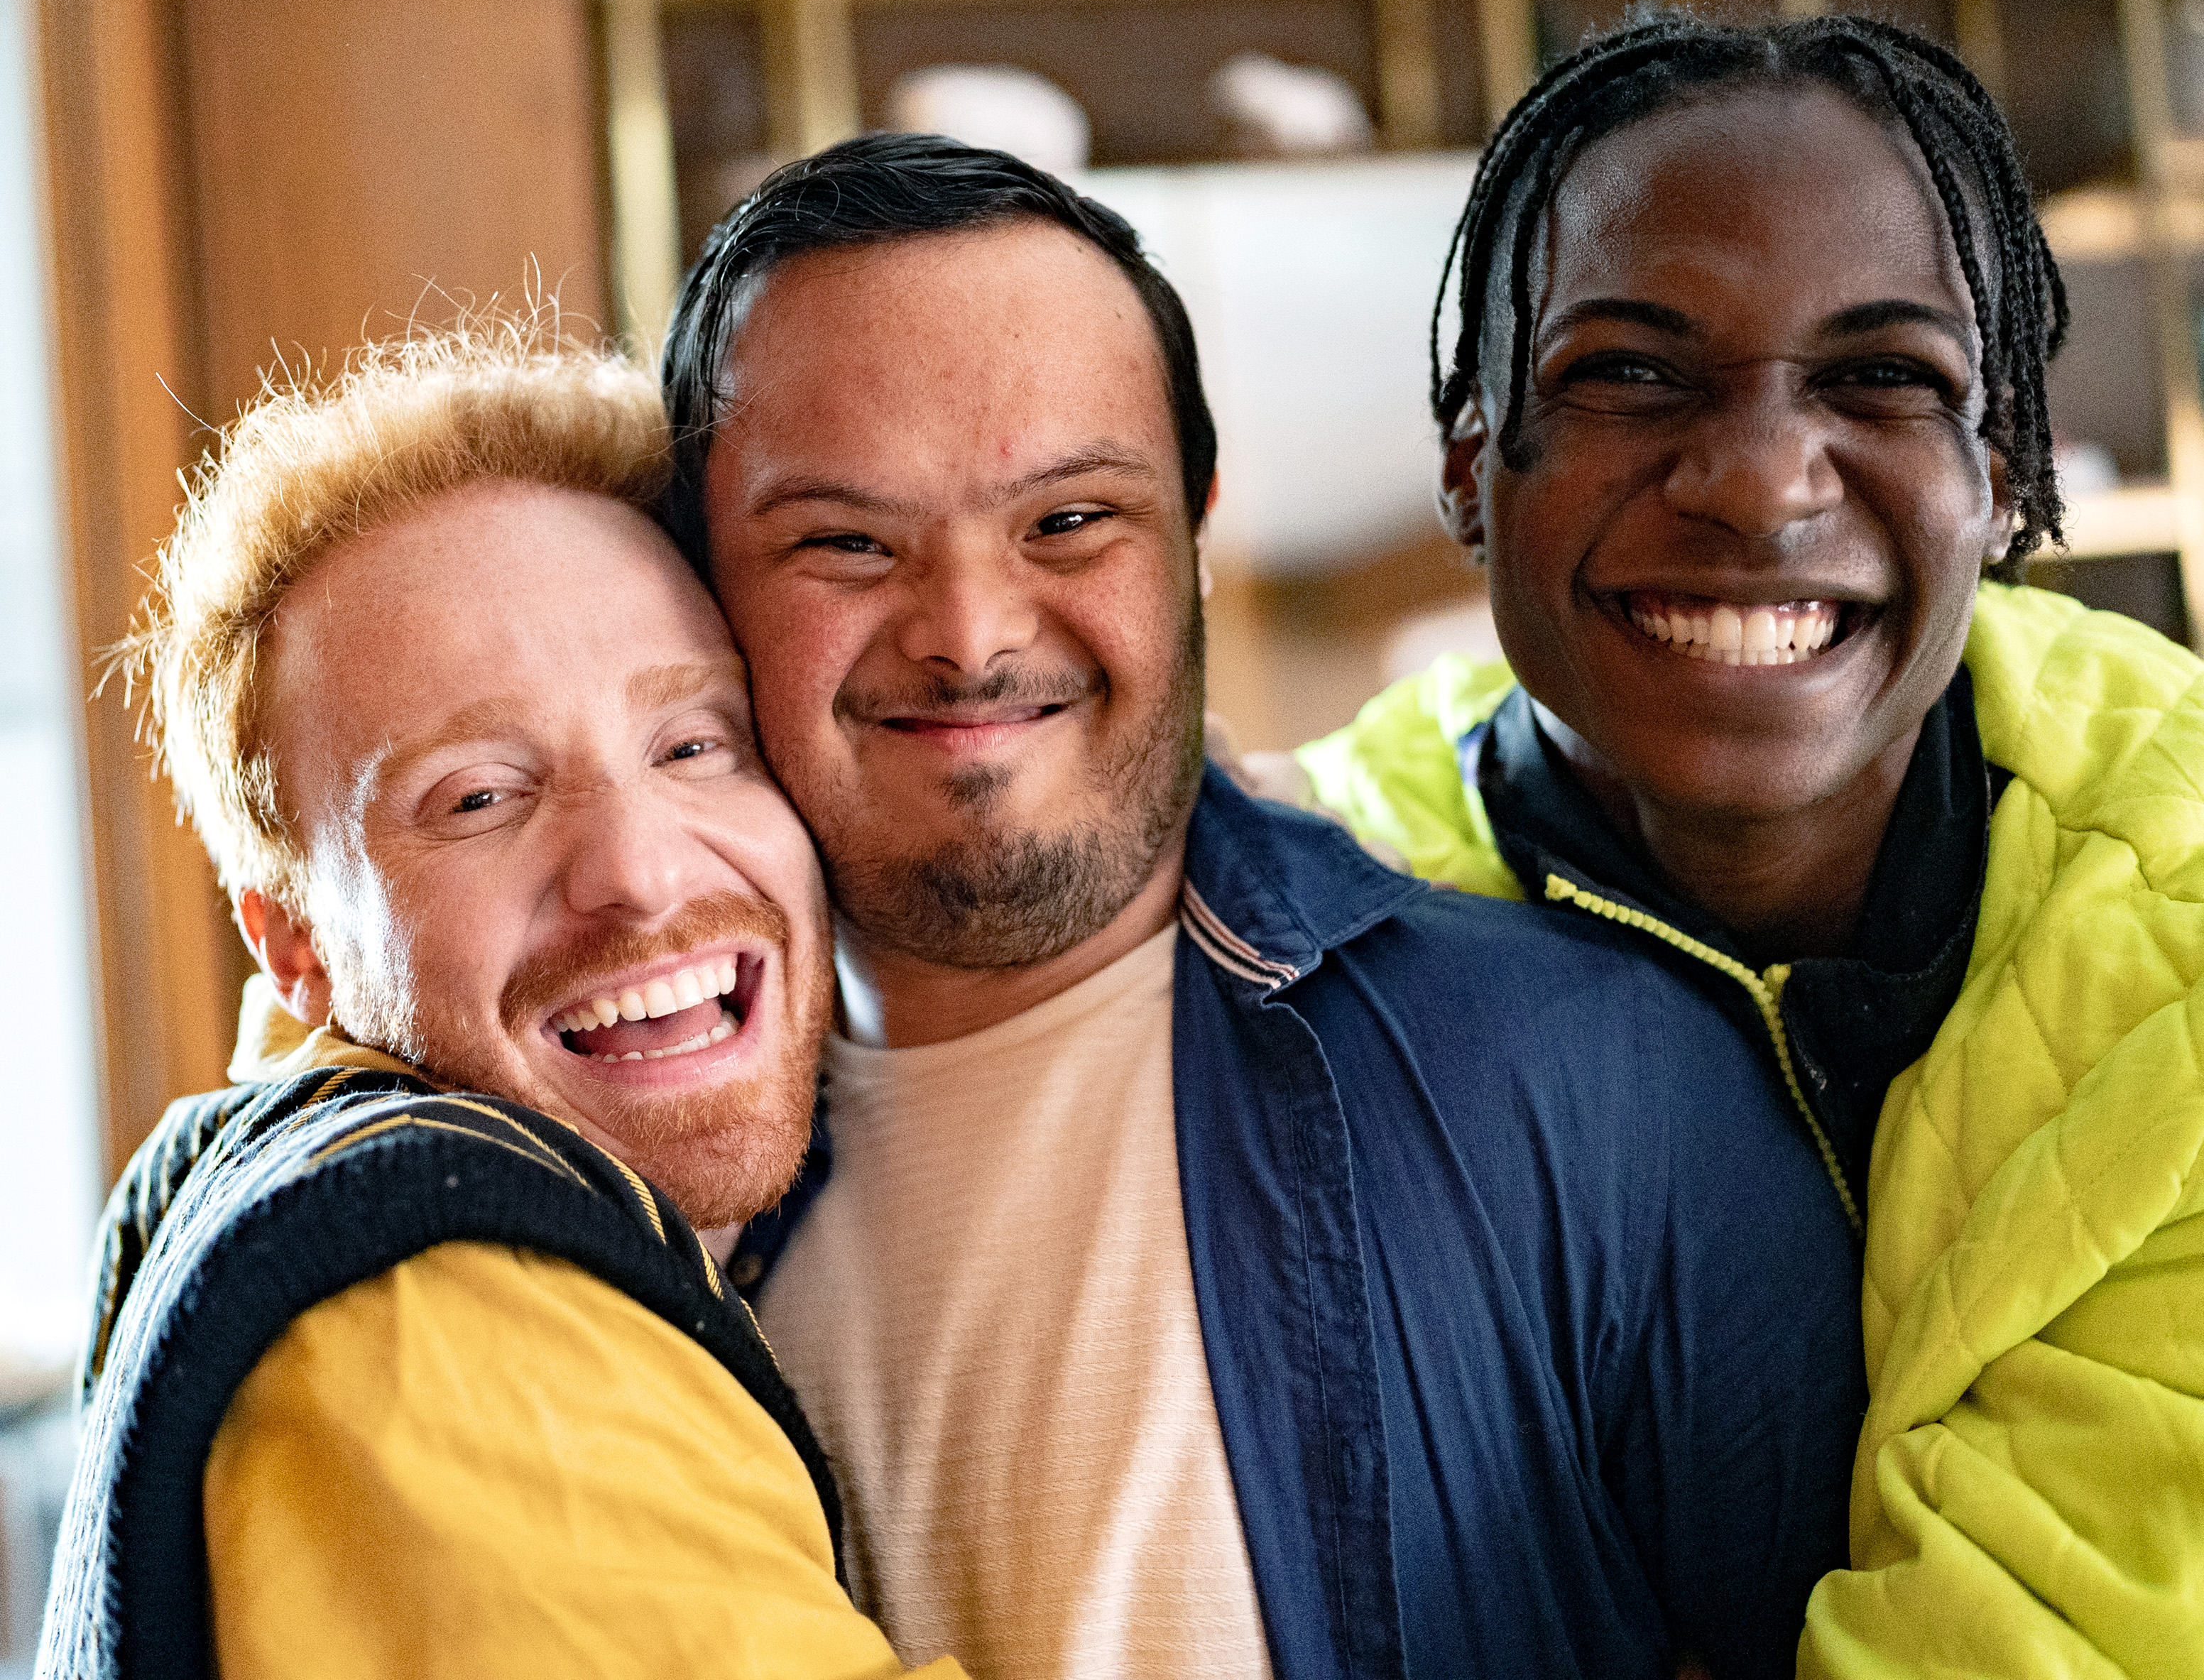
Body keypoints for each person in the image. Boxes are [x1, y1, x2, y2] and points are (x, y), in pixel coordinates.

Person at [660, 133, 1867, 1680]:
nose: (966, 634)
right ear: (702, 575)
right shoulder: (626, 1208)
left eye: (1068, 521)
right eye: (844, 540)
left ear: (1197, 533)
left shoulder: (1608, 1085)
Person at [1294, 11, 2204, 1676]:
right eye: (1631, 370)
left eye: (1881, 377)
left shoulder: (2185, 914)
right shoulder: (1304, 932)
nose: (1759, 483)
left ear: (1999, 479)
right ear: (1471, 469)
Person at [38, 329, 964, 1680]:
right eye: (477, 798)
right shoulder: (445, 1312)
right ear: (292, 944)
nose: (640, 873)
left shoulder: (270, 1177)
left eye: (696, 743)